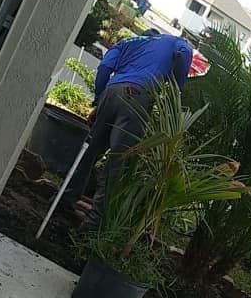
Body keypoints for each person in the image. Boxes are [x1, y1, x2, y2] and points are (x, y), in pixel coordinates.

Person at [63, 29, 193, 228]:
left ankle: (65, 198)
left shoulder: (127, 42)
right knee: (118, 161)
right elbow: (185, 52)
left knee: (91, 151)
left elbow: (105, 67)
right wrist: (176, 88)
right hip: (138, 96)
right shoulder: (175, 42)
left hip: (111, 90)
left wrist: (99, 100)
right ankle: (94, 222)